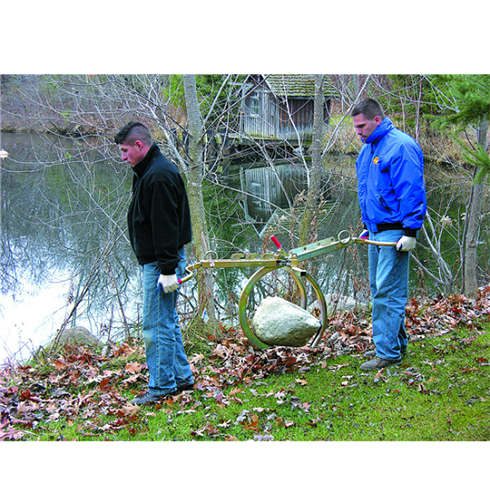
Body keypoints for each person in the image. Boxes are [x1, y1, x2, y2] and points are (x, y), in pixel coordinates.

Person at [115, 122, 194, 404]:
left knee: (155, 326)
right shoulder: (148, 170)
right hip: (162, 262)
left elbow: (165, 228)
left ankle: (161, 387)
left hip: (162, 265)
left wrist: (168, 270)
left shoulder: (157, 175)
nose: (122, 157)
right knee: (167, 321)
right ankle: (182, 378)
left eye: (125, 151)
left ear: (139, 145)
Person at [351, 99, 427, 371]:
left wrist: (410, 231)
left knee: (388, 293)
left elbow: (411, 190)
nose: (358, 131)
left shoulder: (401, 146)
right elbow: (371, 192)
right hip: (376, 231)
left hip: (395, 233)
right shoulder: (369, 149)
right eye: (355, 127)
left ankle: (388, 353)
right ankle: (394, 344)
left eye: (362, 126)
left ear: (377, 120)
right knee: (380, 291)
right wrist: (367, 224)